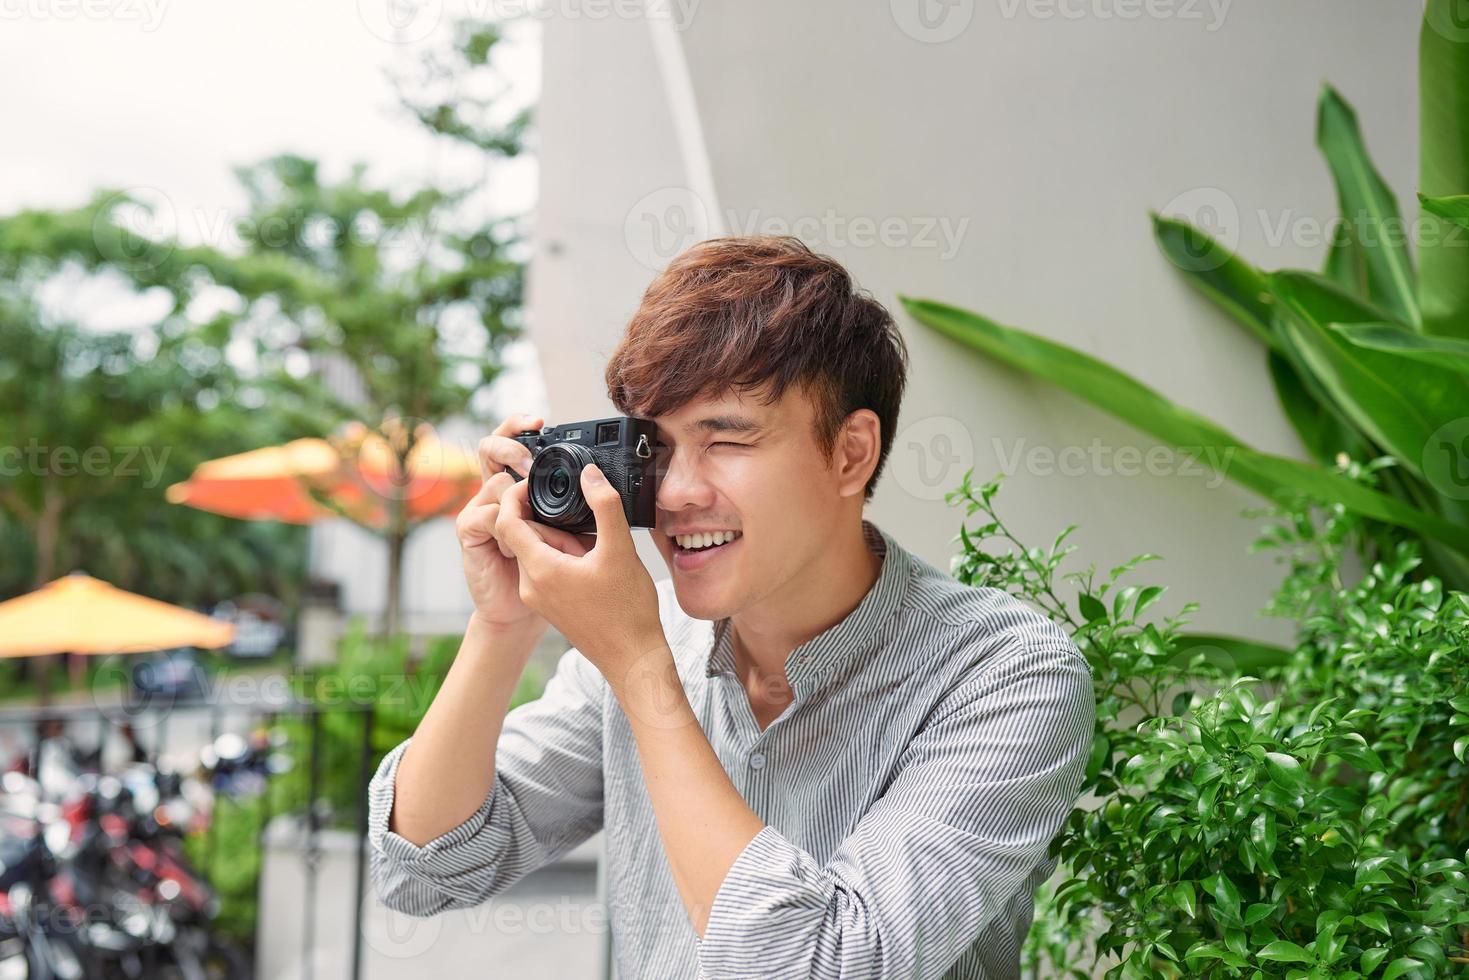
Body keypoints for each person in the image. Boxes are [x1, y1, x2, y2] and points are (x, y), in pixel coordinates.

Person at [367, 236, 1095, 979]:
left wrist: (641, 671)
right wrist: (501, 626)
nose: (678, 492)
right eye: (654, 448)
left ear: (850, 453)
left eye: (725, 439)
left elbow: (829, 964)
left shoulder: (1006, 672)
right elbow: (424, 869)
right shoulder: (651, 638)